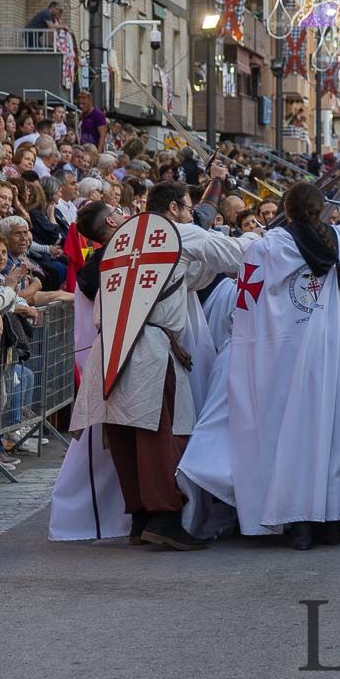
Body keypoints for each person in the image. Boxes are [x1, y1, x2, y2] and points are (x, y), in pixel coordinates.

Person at [69, 177, 253, 550]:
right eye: (187, 207)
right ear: (174, 209)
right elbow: (234, 254)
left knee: (123, 432)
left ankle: (140, 517)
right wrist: (262, 240)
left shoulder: (122, 238)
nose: (188, 214)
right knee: (158, 434)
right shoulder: (177, 231)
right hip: (147, 345)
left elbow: (182, 279)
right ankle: (165, 517)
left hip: (111, 345)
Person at [225, 183, 340, 550]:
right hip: (337, 354)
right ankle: (332, 521)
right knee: (336, 432)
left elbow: (247, 301)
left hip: (290, 358)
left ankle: (299, 523)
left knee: (290, 438)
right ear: (322, 210)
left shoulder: (269, 246)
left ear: (287, 211)